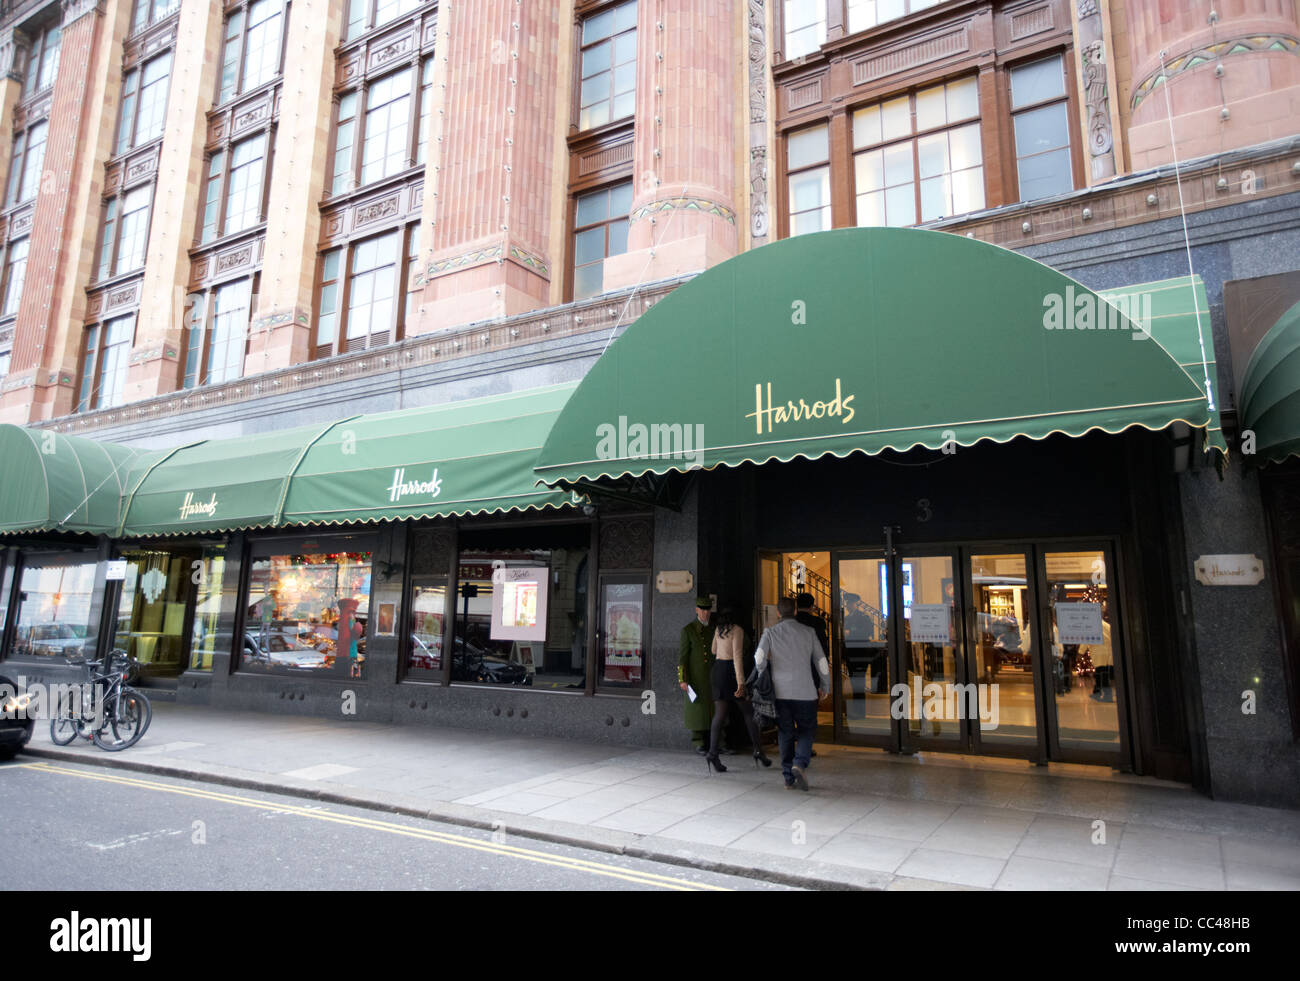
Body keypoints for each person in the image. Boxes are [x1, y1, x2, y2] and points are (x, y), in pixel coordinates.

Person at [755, 596, 830, 790]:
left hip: (780, 693)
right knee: (807, 730)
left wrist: (764, 670)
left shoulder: (770, 632)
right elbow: (821, 661)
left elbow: (759, 657)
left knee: (785, 732)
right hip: (806, 692)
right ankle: (800, 762)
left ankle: (788, 776)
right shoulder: (809, 632)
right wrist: (825, 685)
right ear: (795, 611)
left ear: (778, 613)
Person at [705, 606, 771, 772]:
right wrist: (741, 683)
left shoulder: (718, 630)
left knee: (719, 714)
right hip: (731, 672)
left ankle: (712, 753)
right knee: (748, 712)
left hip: (717, 670)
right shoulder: (737, 630)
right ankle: (758, 751)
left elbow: (713, 650)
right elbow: (737, 657)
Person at [678, 597, 715, 754]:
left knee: (715, 708)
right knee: (697, 710)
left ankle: (718, 741)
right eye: (702, 609)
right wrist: (682, 679)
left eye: (708, 610)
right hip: (696, 677)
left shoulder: (714, 630)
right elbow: (683, 657)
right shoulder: (688, 630)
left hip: (712, 676)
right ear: (696, 610)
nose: (705, 613)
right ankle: (698, 741)